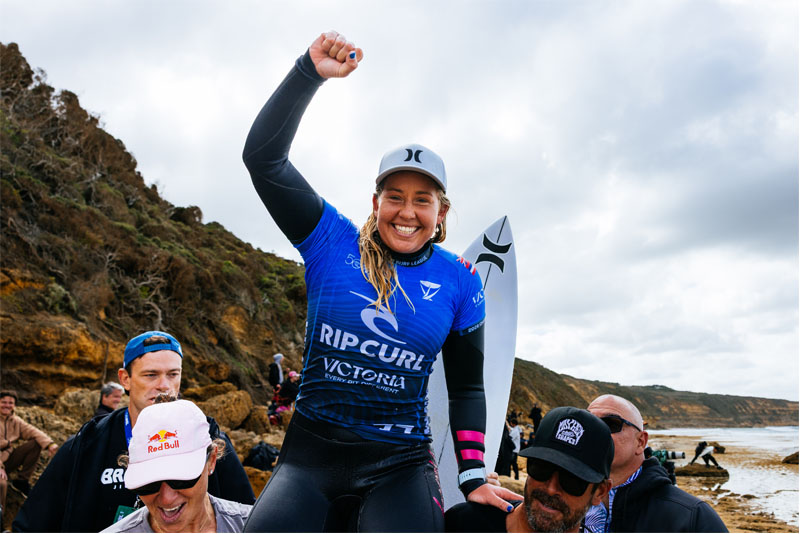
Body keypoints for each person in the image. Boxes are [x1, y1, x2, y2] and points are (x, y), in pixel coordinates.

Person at [241, 30, 519, 532]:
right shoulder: (331, 241)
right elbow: (263, 160)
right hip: (310, 457)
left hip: (400, 464)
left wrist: (473, 474)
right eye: (395, 196)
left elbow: (466, 387)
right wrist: (307, 73)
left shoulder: (460, 282)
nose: (406, 212)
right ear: (376, 203)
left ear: (441, 212)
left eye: (422, 200)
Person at [13, 331, 255, 532]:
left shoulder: (207, 438)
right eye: (151, 375)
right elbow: (32, 523)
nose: (164, 386)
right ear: (125, 379)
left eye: (173, 374)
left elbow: (248, 518)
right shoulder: (88, 444)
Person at [445, 406, 614, 533]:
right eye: (541, 468)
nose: (551, 489)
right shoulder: (464, 523)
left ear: (600, 492)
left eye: (572, 480)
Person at [102, 398, 252, 533]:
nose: (166, 499)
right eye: (149, 484)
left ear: (211, 461)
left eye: (181, 479)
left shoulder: (255, 526)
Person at [585, 394, 727, 532]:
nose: (595, 432)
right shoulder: (572, 503)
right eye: (587, 423)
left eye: (610, 424)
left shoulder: (693, 518)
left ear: (640, 442)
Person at [0, 390, 59, 508]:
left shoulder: (15, 421)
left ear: (14, 405)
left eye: (10, 403)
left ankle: (22, 481)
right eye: (3, 402)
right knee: (1, 484)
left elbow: (33, 431)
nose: (7, 405)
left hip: (8, 459)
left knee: (36, 443)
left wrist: (50, 444)